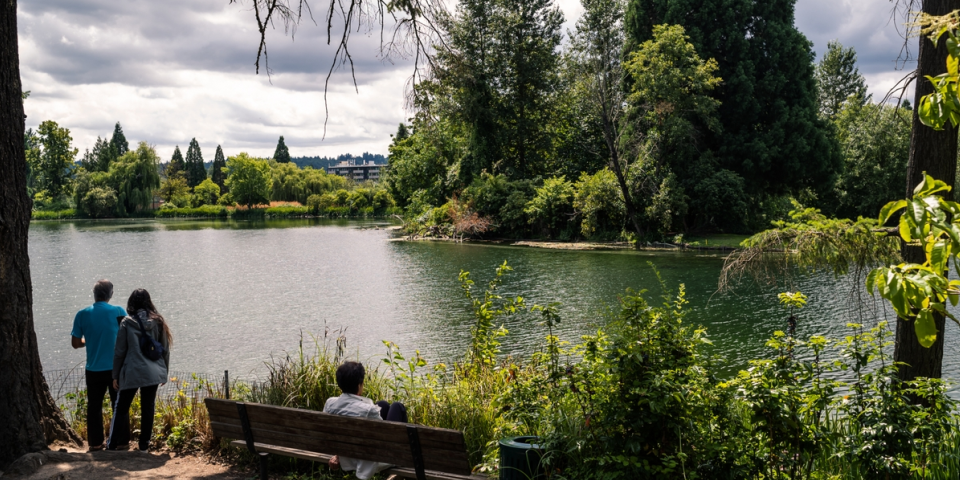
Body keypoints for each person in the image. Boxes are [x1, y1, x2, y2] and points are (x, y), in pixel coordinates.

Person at [107, 288, 172, 452]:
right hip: (153, 372)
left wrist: (115, 375)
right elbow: (165, 349)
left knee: (121, 407)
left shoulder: (126, 322)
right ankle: (144, 446)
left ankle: (112, 444)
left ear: (131, 303)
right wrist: (164, 372)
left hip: (132, 371)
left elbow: (119, 351)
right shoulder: (158, 322)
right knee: (148, 407)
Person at [70, 279, 128, 452]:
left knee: (94, 407)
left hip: (93, 369)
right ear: (110, 294)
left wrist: (88, 341)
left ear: (94, 295)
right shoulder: (118, 311)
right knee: (119, 404)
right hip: (115, 369)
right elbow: (127, 337)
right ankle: (122, 442)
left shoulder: (82, 314)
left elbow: (75, 343)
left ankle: (95, 443)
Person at [324, 361, 407, 479]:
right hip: (371, 459)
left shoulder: (330, 403)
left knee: (382, 404)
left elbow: (330, 434)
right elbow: (383, 439)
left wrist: (338, 454)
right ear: (359, 385)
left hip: (346, 456)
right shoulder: (368, 411)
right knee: (398, 407)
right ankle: (406, 457)